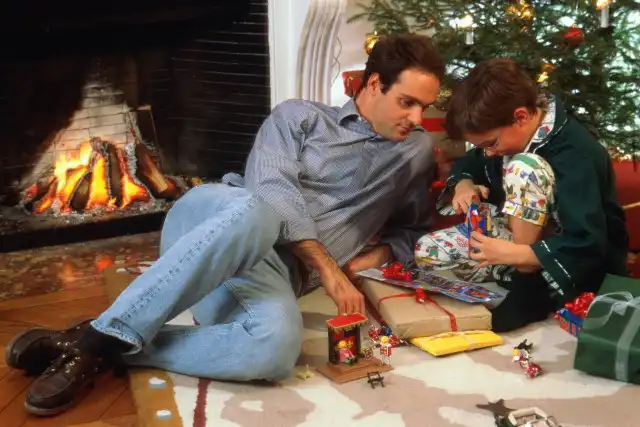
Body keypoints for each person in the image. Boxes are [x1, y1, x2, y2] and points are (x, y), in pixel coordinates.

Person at [5, 34, 444, 416]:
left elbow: (413, 231)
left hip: (267, 277)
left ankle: (96, 344)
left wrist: (368, 258)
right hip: (216, 224)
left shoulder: (415, 151)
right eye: (407, 103)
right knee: (261, 212)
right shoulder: (300, 116)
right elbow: (270, 191)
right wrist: (328, 268)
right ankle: (102, 339)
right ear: (374, 84)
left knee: (275, 348)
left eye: (425, 107)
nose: (417, 119)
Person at [415, 58, 629, 332]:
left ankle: (528, 287)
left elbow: (588, 242)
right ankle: (513, 273)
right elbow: (472, 160)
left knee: (524, 168)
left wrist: (519, 254)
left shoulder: (575, 152)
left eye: (491, 143)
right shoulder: (509, 135)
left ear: (521, 117)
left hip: (579, 263)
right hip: (517, 244)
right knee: (428, 252)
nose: (488, 152)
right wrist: (463, 183)